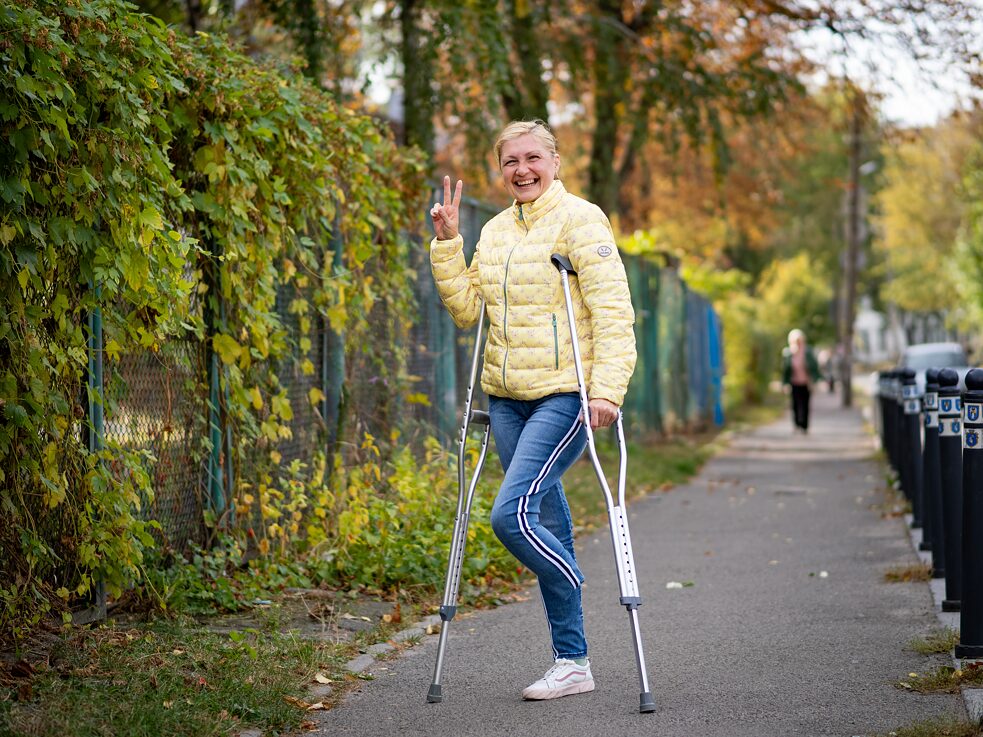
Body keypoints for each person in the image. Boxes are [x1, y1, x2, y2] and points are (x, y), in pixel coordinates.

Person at [429, 119, 636, 702]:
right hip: (506, 400)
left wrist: (607, 390)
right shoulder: (493, 232)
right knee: (547, 519)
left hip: (564, 394)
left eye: (532, 158)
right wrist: (448, 244)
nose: (522, 170)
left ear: (554, 160)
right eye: (510, 162)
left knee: (510, 516)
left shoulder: (582, 219)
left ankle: (569, 575)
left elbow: (612, 312)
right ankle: (574, 663)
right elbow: (469, 311)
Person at [781, 328, 820, 433]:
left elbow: (814, 367)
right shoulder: (788, 353)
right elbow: (785, 371)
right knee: (795, 404)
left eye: (799, 341)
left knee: (805, 403)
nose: (798, 343)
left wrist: (816, 380)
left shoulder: (808, 352)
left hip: (806, 383)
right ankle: (797, 424)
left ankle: (805, 426)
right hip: (794, 382)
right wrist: (785, 383)